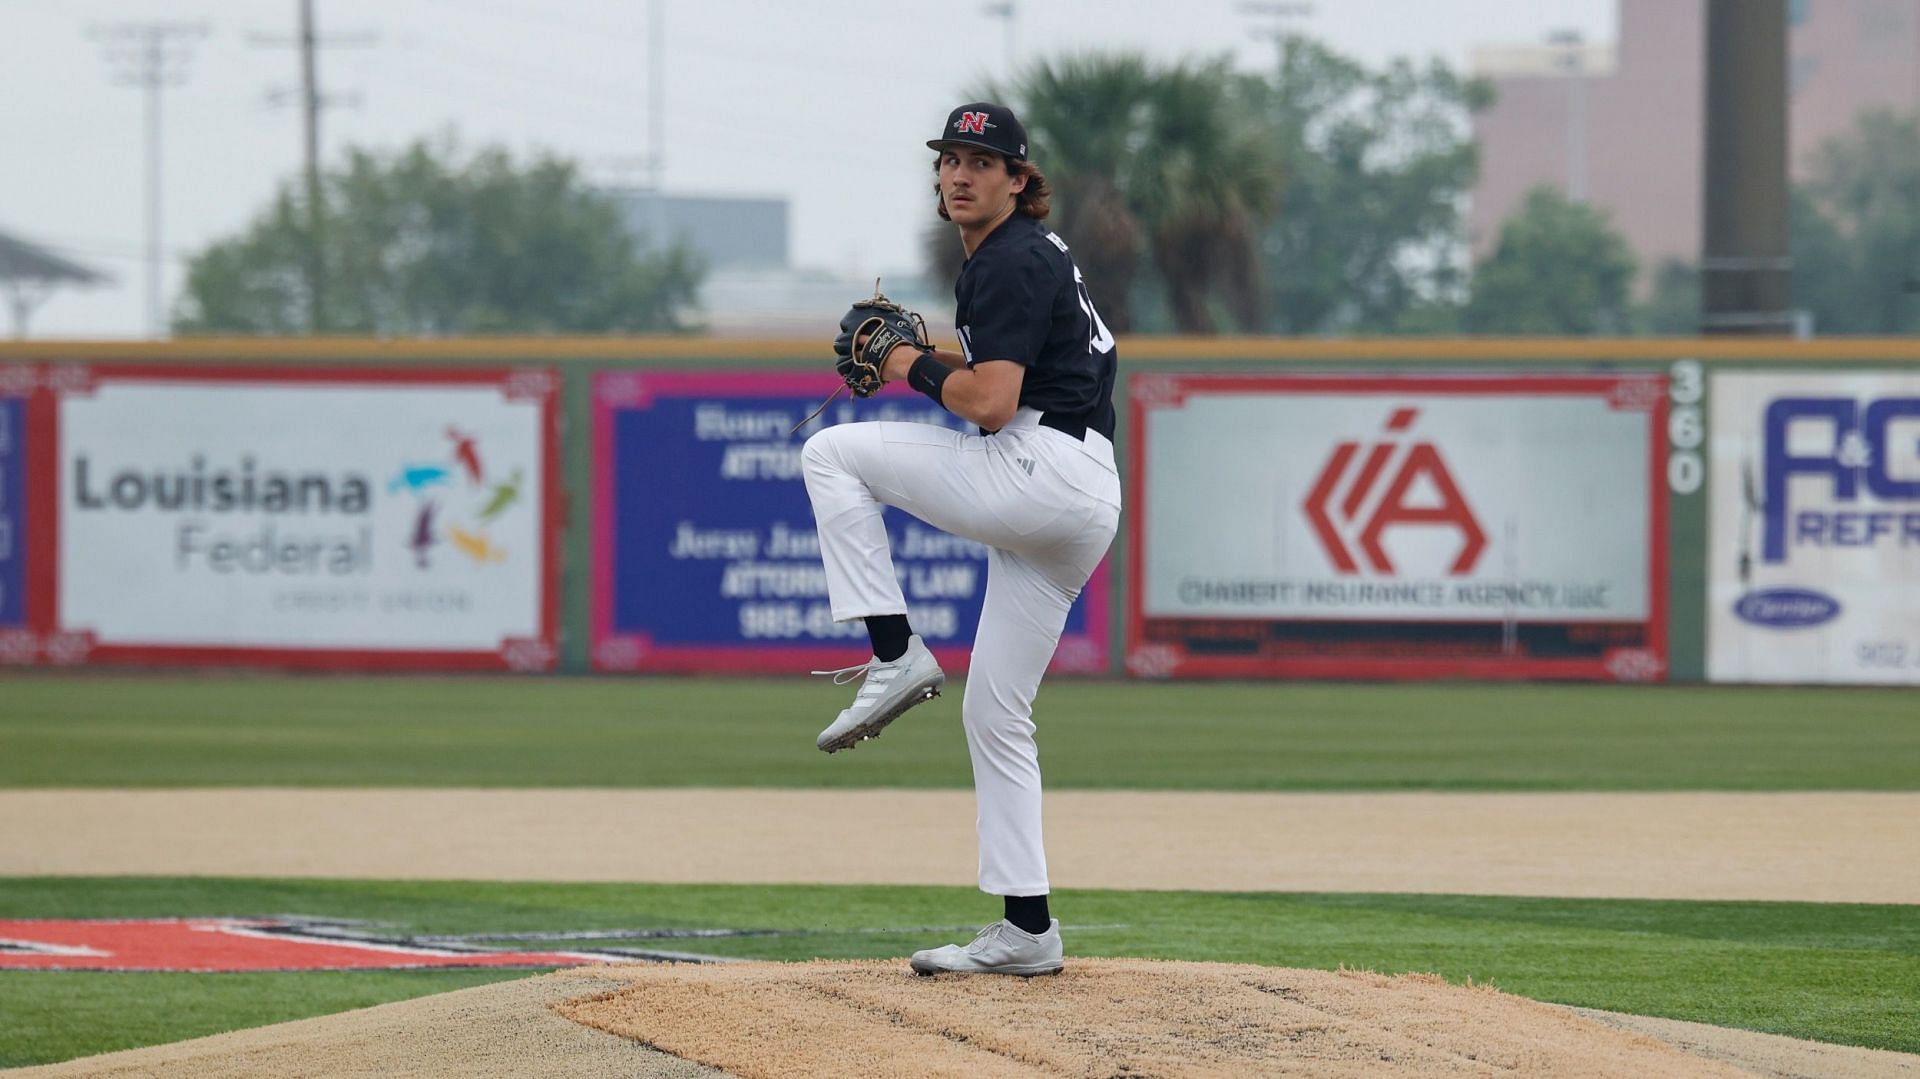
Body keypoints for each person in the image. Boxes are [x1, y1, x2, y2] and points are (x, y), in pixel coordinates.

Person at [800, 101, 1121, 977]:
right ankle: (1027, 928)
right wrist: (931, 357)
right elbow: (998, 385)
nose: (961, 173)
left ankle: (895, 651)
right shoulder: (1026, 258)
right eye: (950, 159)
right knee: (995, 710)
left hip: (1040, 469)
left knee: (831, 452)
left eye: (983, 160)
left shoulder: (1009, 257)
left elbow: (990, 403)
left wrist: (904, 362)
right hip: (1081, 499)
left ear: (1020, 181)